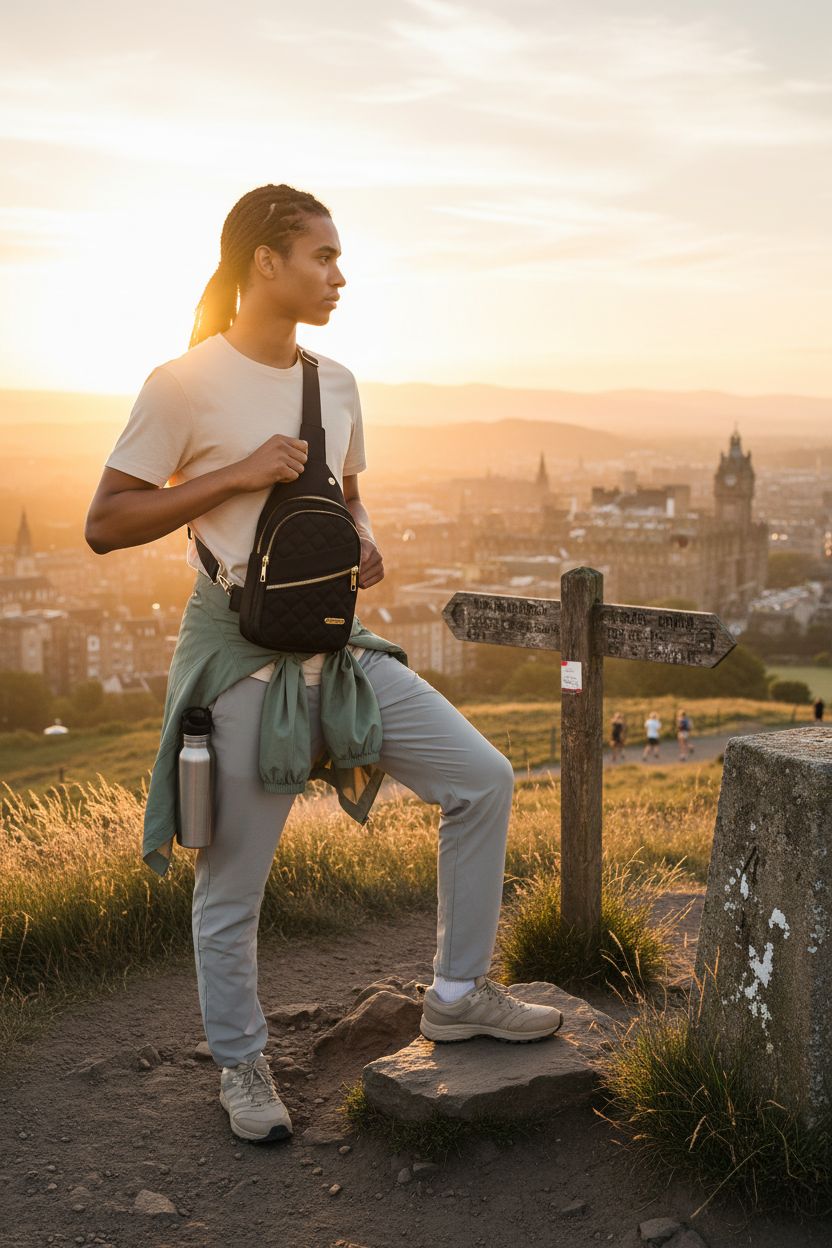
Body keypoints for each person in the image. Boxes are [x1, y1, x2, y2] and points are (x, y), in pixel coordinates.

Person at [84, 183, 562, 1146]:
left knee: (482, 779)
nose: (339, 276)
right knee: (234, 883)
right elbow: (105, 522)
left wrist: (365, 535)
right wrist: (231, 474)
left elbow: (345, 495)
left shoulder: (335, 381)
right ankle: (241, 1062)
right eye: (322, 257)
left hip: (339, 651)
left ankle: (459, 994)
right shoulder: (181, 385)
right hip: (242, 661)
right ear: (266, 261)